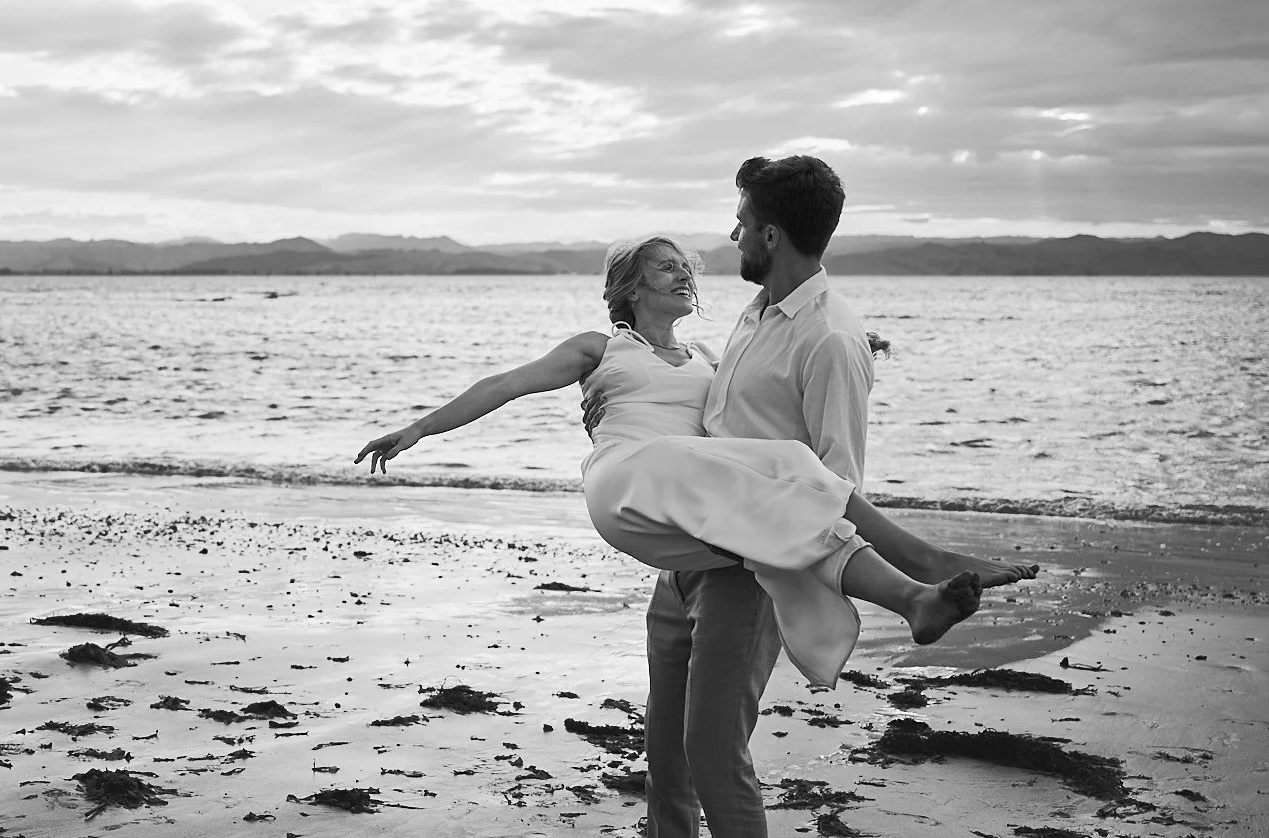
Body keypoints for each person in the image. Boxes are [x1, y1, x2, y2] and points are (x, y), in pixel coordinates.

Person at [354, 154, 1034, 837]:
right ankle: (914, 573)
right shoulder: (610, 347)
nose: (687, 272)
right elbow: (506, 384)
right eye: (665, 268)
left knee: (686, 752)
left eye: (688, 265)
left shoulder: (717, 352)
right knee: (778, 472)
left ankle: (915, 580)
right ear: (630, 288)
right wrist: (417, 429)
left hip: (712, 544)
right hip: (633, 479)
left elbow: (791, 376)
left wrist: (862, 340)